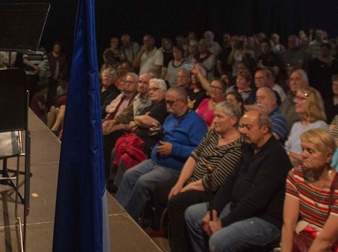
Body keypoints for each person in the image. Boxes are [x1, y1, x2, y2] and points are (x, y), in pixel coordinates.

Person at [184, 109, 292, 252]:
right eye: (242, 126)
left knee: (219, 240)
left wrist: (223, 223)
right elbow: (230, 181)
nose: (243, 132)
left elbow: (256, 201)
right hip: (238, 207)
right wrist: (214, 210)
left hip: (265, 219)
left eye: (248, 127)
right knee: (193, 214)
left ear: (265, 129)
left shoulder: (275, 156)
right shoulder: (249, 147)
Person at [161, 101, 244, 252]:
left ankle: (180, 248)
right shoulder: (213, 133)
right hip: (193, 181)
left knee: (177, 202)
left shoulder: (238, 146)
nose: (215, 120)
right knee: (161, 188)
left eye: (220, 117)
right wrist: (180, 183)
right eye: (215, 116)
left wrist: (186, 188)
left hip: (210, 190)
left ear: (233, 121)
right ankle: (167, 234)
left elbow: (215, 181)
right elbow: (194, 156)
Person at [116, 87, 208, 222]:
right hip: (155, 161)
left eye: (171, 102)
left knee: (143, 182)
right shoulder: (170, 117)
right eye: (166, 102)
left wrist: (175, 149)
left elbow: (201, 151)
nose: (167, 106)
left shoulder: (196, 122)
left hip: (174, 167)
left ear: (182, 102)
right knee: (129, 175)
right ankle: (116, 213)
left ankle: (127, 220)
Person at [280, 128, 338, 252]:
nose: (304, 155)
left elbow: (326, 241)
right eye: (303, 149)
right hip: (305, 236)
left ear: (328, 156)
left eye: (310, 151)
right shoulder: (296, 175)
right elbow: (289, 223)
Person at [286, 86, 330, 164]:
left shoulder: (319, 126)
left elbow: (313, 158)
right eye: (296, 97)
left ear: (311, 103)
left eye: (301, 98)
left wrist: (289, 154)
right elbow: (287, 148)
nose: (295, 101)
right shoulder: (296, 125)